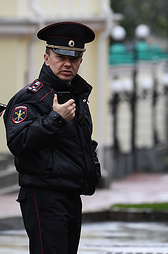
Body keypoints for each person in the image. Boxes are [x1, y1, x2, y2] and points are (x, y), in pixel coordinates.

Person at [3, 21, 101, 254]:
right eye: (61, 57)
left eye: (74, 58)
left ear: (80, 61)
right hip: (44, 194)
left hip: (70, 193)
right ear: (47, 58)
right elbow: (18, 142)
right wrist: (55, 119)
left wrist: (92, 171)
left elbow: (82, 142)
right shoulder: (32, 97)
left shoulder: (76, 96)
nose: (68, 64)